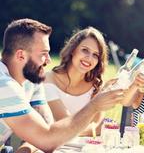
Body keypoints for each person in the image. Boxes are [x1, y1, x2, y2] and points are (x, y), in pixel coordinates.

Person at [0, 19, 124, 152]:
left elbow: (50, 129)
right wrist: (93, 106)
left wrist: (27, 148)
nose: (48, 60)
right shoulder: (4, 86)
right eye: (43, 54)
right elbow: (48, 140)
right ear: (20, 56)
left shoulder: (31, 80)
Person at [44, 27, 108, 136]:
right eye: (85, 50)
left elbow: (97, 125)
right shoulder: (49, 80)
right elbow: (65, 126)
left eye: (95, 55)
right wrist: (94, 129)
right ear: (73, 50)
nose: (89, 58)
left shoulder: (96, 86)